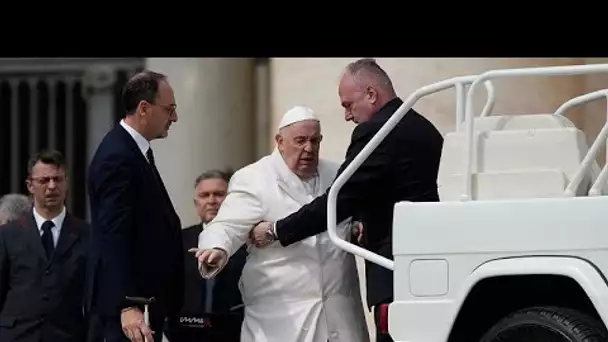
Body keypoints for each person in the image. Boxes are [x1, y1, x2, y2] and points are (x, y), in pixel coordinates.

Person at [250, 58, 444, 342]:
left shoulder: (376, 130)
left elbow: (339, 200)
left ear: (371, 95)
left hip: (396, 272)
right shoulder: (424, 128)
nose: (346, 116)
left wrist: (276, 230)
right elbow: (398, 188)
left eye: (347, 105)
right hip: (431, 267)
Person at [193, 106, 370, 342]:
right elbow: (227, 224)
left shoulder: (338, 173)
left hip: (339, 313)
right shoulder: (254, 178)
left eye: (314, 141)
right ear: (280, 141)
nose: (309, 149)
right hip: (280, 318)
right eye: (300, 141)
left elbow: (358, 215)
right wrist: (217, 247)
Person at [86, 70, 184, 342]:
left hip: (147, 307)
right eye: (169, 109)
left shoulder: (133, 151)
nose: (174, 118)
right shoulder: (118, 157)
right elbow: (112, 235)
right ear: (144, 108)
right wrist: (127, 304)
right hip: (132, 315)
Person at [0, 149, 91, 342]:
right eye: (44, 180)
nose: (51, 187)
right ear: (30, 185)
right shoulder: (8, 234)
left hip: (67, 336)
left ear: (66, 183)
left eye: (58, 179)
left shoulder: (86, 235)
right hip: (17, 336)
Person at [165, 169, 247, 342]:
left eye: (219, 194)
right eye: (204, 195)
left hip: (237, 332)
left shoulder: (248, 241)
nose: (211, 201)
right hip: (185, 332)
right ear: (196, 203)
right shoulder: (177, 240)